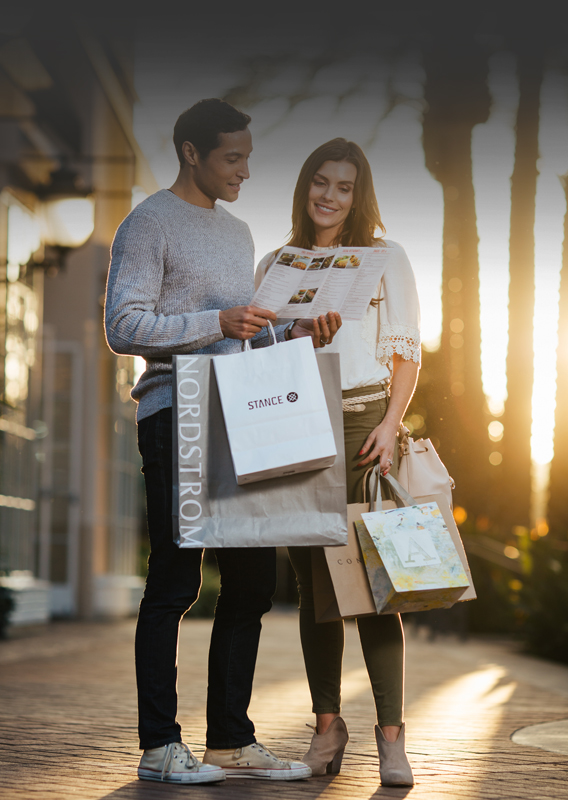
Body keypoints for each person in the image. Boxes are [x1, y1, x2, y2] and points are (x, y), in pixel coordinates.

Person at [104, 99, 340, 785]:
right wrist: (218, 319)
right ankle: (158, 744)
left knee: (250, 581)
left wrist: (291, 333)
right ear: (190, 153)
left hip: (242, 416)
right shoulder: (148, 223)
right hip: (176, 412)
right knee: (176, 580)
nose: (244, 170)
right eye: (231, 158)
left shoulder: (238, 232)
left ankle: (232, 740)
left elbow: (245, 331)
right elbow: (124, 326)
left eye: (247, 157)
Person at [255, 138, 421, 786]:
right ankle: (327, 727)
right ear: (304, 188)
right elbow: (253, 358)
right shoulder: (278, 263)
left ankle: (391, 736)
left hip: (362, 425)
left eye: (343, 186)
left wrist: (390, 423)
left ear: (360, 195)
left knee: (379, 586)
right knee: (317, 592)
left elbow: (406, 353)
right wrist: (292, 334)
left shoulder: (386, 258)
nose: (329, 196)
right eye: (319, 183)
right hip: (296, 422)